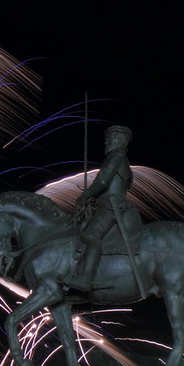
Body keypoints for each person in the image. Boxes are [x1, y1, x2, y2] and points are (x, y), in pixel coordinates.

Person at [61, 125, 135, 292]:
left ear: (116, 140)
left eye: (108, 140)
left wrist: (84, 196)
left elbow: (102, 181)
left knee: (91, 236)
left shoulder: (115, 157)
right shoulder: (123, 160)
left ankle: (85, 279)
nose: (106, 143)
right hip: (110, 205)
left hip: (110, 206)